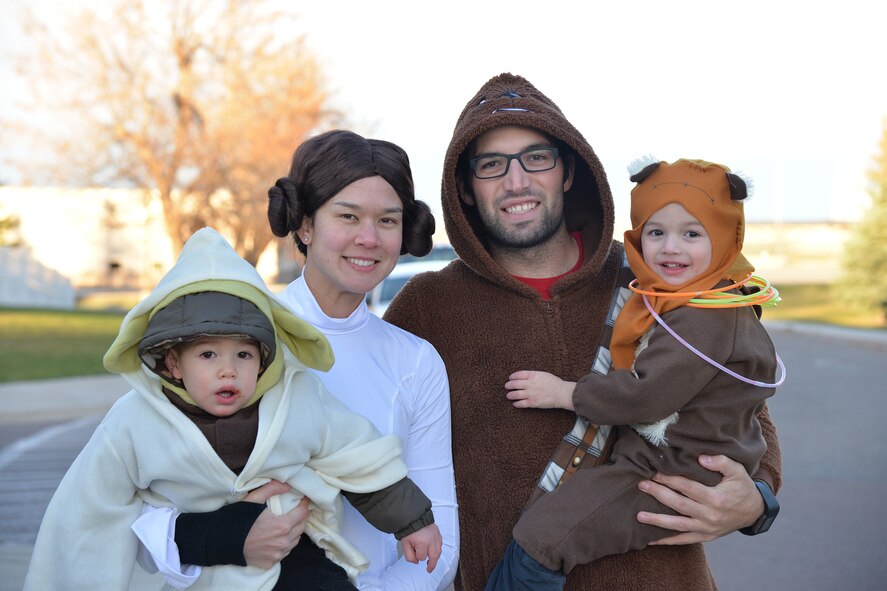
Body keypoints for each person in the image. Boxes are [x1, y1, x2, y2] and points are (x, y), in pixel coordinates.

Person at [384, 73, 783, 590]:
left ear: (569, 170)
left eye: (537, 158)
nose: (517, 181)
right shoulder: (428, 306)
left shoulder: (655, 282)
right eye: (491, 164)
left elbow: (745, 406)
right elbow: (364, 443)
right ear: (464, 186)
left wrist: (757, 500)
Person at [24, 227, 442, 591]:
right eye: (207, 355)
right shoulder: (136, 421)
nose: (228, 370)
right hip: (201, 569)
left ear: (263, 361)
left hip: (294, 557)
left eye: (243, 355)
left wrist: (413, 521)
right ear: (173, 363)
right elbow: (86, 511)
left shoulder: (293, 399)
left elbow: (358, 455)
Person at [138, 130, 459, 591]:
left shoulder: (416, 362)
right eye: (348, 216)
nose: (369, 238)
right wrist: (231, 536)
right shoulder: (232, 344)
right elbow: (143, 520)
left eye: (387, 220)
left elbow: (439, 542)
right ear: (305, 225)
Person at [485, 158, 785, 589]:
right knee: (552, 529)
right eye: (656, 232)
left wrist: (564, 393)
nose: (670, 248)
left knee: (546, 536)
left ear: (724, 238)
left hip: (671, 470)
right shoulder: (673, 297)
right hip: (663, 459)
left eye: (692, 234)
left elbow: (647, 395)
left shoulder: (705, 314)